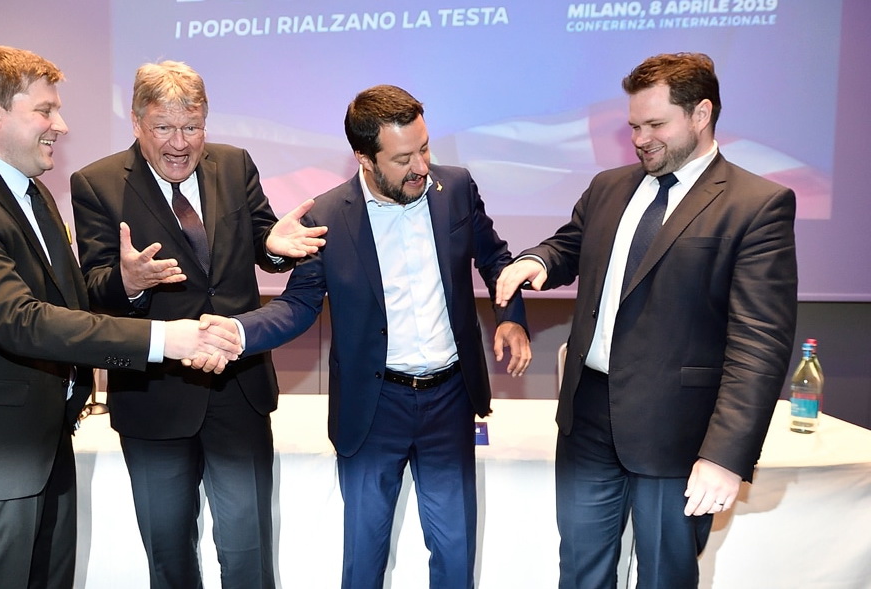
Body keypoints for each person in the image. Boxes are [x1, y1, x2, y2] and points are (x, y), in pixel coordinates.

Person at [0, 45, 243, 589]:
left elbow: (67, 298)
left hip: (40, 439)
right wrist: (164, 339)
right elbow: (18, 319)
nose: (60, 125)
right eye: (45, 110)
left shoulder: (28, 191)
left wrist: (126, 284)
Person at [495, 53, 798, 588]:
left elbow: (760, 344)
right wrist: (537, 260)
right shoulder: (609, 187)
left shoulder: (757, 205)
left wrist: (725, 457)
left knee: (665, 577)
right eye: (634, 126)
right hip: (588, 416)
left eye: (655, 125)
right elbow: (570, 245)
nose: (640, 139)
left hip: (678, 431)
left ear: (701, 114)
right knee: (580, 572)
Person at [211, 84, 531, 589]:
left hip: (449, 400)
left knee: (455, 554)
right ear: (364, 158)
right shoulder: (326, 217)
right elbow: (298, 306)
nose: (421, 167)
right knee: (364, 558)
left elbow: (496, 259)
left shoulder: (456, 188)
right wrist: (237, 330)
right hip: (373, 406)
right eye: (403, 159)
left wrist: (510, 316)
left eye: (424, 148)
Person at [70, 60, 326, 589]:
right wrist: (129, 282)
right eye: (164, 127)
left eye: (193, 127)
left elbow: (264, 241)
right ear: (136, 122)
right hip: (153, 396)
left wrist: (276, 250)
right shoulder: (96, 184)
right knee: (169, 559)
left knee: (249, 554)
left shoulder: (234, 164)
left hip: (238, 388)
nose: (180, 143)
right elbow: (93, 288)